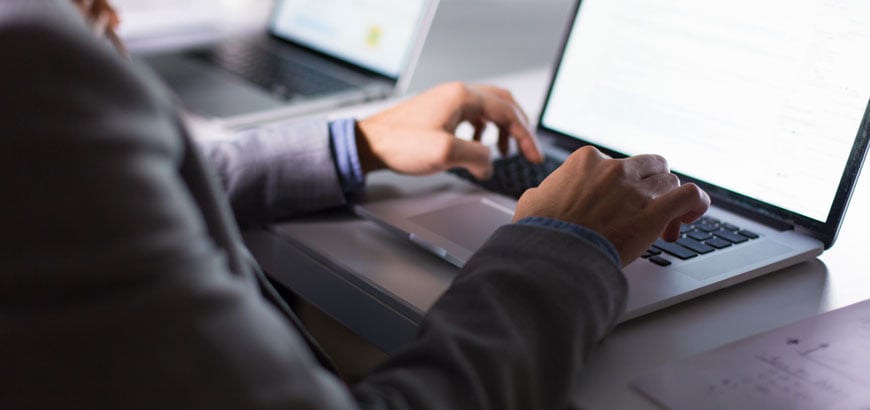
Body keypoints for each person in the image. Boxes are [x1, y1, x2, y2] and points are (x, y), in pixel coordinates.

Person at [0, 0, 710, 409]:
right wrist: (564, 245)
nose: (107, 11)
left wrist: (359, 142)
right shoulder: (34, 74)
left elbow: (98, 195)